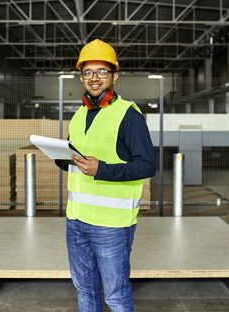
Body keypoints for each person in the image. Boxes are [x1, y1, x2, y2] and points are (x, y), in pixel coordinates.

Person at [56, 39, 156, 312]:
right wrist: (63, 160)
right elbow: (77, 156)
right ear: (81, 77)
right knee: (85, 291)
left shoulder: (128, 115)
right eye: (88, 72)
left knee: (115, 295)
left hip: (111, 226)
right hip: (76, 221)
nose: (95, 78)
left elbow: (148, 165)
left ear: (114, 76)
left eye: (102, 71)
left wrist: (102, 169)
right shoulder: (79, 115)